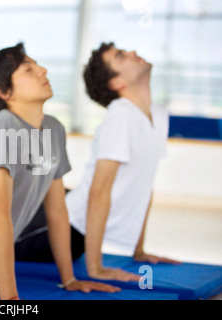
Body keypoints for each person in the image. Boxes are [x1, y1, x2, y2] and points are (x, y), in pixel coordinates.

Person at [0, 43, 119, 300]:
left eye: (37, 65)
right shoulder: (3, 129)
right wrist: (11, 300)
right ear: (5, 91)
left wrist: (70, 279)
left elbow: (57, 210)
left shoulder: (53, 128)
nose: (43, 70)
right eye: (29, 69)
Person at [66, 42, 180, 282]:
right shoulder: (121, 115)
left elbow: (144, 185)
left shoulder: (158, 113)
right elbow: (99, 192)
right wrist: (95, 268)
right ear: (116, 83)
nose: (133, 52)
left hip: (75, 221)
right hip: (67, 226)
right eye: (121, 56)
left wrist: (138, 251)